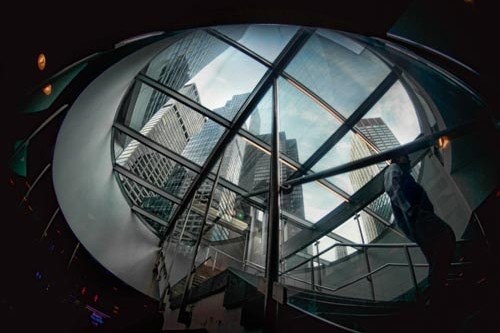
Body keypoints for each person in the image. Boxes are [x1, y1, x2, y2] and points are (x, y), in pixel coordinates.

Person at [384, 154, 456, 317]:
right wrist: (410, 210)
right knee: (446, 238)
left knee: (435, 254)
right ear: (397, 159)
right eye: (405, 157)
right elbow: (393, 189)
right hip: (417, 218)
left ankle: (435, 297)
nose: (408, 159)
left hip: (417, 218)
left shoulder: (403, 173)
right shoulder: (393, 168)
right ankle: (435, 294)